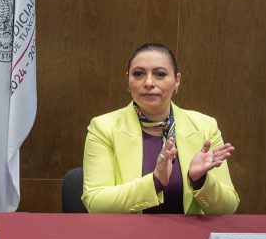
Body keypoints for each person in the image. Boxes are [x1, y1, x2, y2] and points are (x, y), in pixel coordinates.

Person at [82, 42, 238, 214]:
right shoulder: (103, 127)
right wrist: (155, 181)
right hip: (128, 231)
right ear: (128, 80)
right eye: (138, 74)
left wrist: (200, 181)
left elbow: (228, 208)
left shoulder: (205, 126)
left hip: (188, 231)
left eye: (160, 74)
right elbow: (95, 202)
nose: (148, 82)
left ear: (177, 81)